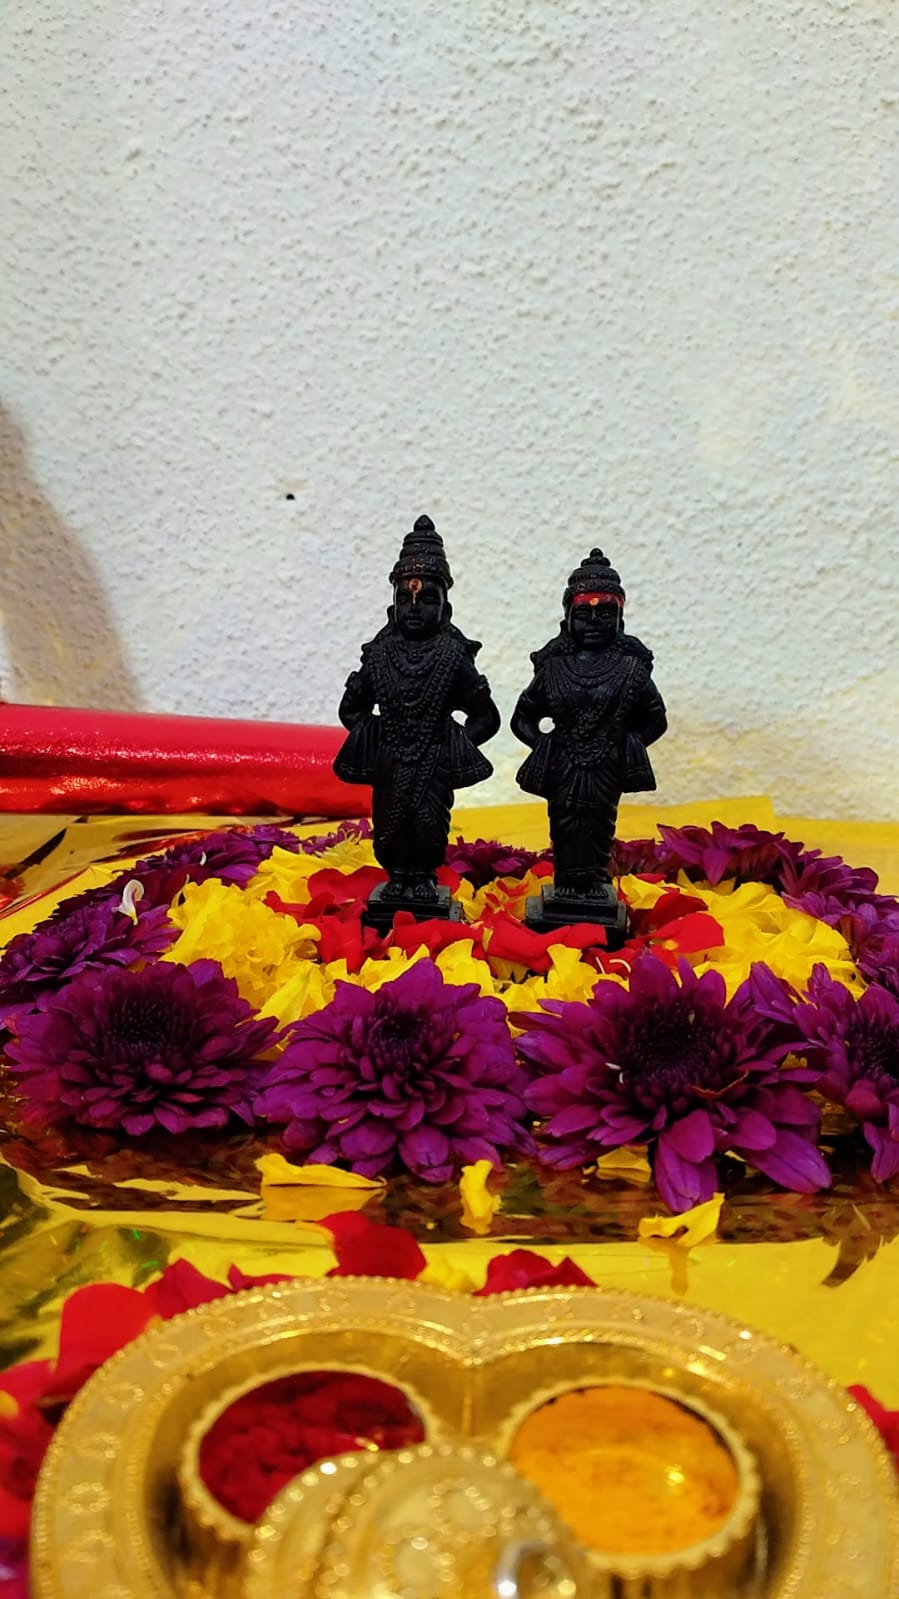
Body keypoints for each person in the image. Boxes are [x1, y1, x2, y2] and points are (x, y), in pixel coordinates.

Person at [334, 515, 500, 910]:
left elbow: (486, 717)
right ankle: (397, 878)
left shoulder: (453, 656)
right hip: (390, 760)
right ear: (392, 606)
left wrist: (450, 744)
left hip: (433, 761)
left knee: (429, 825)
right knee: (389, 828)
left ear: (445, 608)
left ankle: (423, 877)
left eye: (426, 599)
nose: (414, 607)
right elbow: (351, 709)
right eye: (404, 598)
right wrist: (377, 736)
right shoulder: (379, 655)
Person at [512, 548, 667, 900]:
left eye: (605, 613)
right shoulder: (554, 667)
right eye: (583, 614)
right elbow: (522, 717)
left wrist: (628, 744)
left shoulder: (630, 669)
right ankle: (566, 880)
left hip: (606, 762)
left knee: (599, 821)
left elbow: (656, 718)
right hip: (564, 762)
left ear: (620, 620)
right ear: (567, 619)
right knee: (564, 820)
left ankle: (595, 880)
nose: (594, 622)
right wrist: (545, 745)